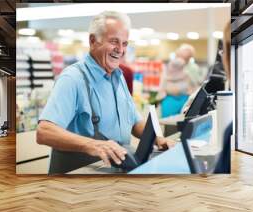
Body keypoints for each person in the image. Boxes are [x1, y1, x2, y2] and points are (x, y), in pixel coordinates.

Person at [37, 11, 175, 174]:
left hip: (112, 172)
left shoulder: (118, 76)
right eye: (114, 41)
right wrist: (92, 145)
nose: (120, 50)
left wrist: (157, 137)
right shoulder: (73, 78)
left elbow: (134, 121)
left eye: (124, 43)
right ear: (93, 41)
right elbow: (44, 132)